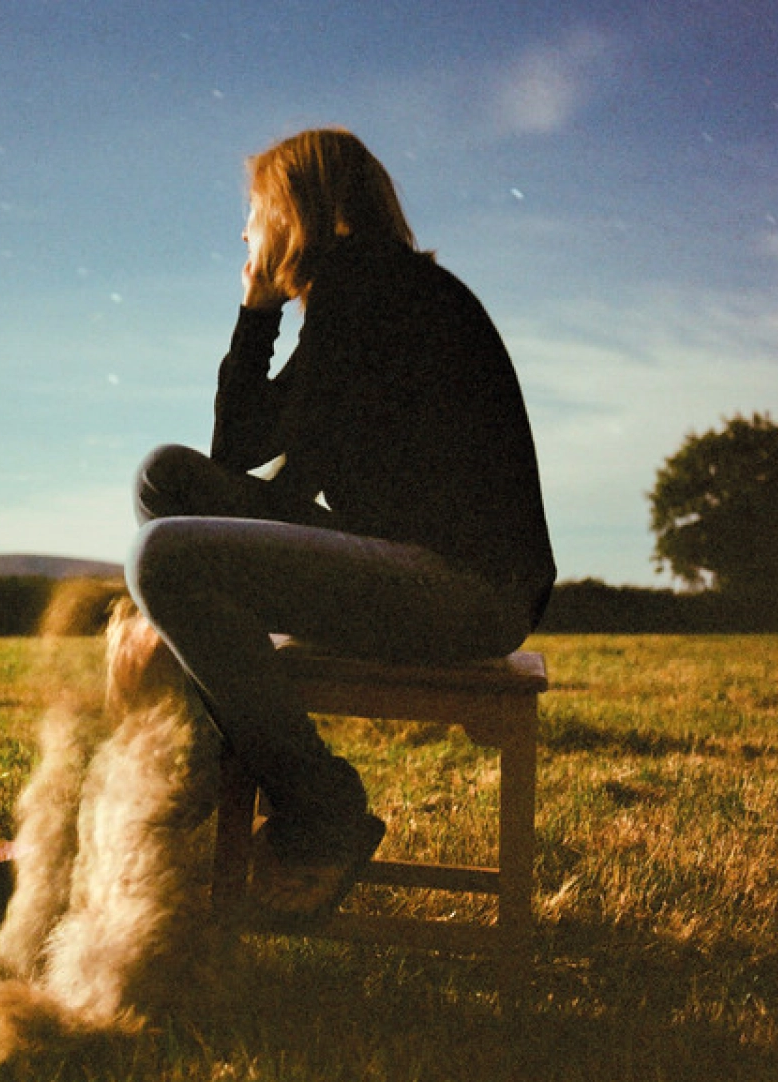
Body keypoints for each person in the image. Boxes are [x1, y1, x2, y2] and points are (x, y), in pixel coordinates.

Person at [126, 128, 556, 927]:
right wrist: (258, 312)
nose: (244, 233)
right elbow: (238, 452)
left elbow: (286, 484)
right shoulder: (359, 290)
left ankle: (318, 803)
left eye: (255, 212)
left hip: (461, 590)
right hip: (431, 570)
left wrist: (208, 590)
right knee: (166, 477)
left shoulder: (370, 286)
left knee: (163, 556)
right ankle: (218, 746)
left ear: (295, 210)